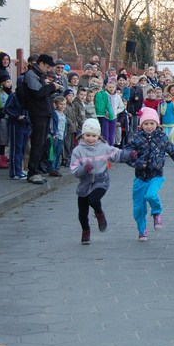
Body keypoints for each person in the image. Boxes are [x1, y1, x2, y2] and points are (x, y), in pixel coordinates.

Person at [123, 107, 174, 241]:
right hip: (140, 177)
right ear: (141, 125)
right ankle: (142, 231)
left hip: (156, 175)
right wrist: (137, 163)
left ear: (157, 124)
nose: (149, 126)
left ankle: (156, 212)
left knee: (151, 195)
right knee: (138, 208)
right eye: (146, 124)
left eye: (152, 123)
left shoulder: (162, 138)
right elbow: (126, 155)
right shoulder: (136, 138)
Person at [69, 118, 133, 244]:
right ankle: (86, 230)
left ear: (98, 136)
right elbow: (74, 169)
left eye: (94, 136)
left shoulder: (103, 147)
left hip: (101, 180)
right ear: (83, 135)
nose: (90, 139)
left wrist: (129, 154)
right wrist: (83, 169)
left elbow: (117, 154)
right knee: (82, 213)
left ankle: (99, 214)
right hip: (84, 183)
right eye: (87, 135)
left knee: (93, 200)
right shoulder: (78, 150)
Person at [22, 54, 63, 184]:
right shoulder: (31, 75)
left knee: (42, 143)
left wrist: (51, 88)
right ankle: (32, 172)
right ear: (40, 64)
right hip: (37, 113)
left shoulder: (39, 75)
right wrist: (51, 87)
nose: (48, 69)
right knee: (37, 143)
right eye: (47, 66)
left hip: (44, 112)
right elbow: (38, 93)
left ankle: (37, 170)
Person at [48, 96, 67, 177]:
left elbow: (65, 125)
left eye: (64, 104)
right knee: (53, 153)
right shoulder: (54, 114)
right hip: (55, 136)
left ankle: (56, 167)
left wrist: (64, 134)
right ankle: (52, 169)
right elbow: (52, 124)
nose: (62, 106)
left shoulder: (64, 115)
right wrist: (53, 133)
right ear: (56, 105)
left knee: (59, 152)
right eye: (61, 104)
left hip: (61, 135)